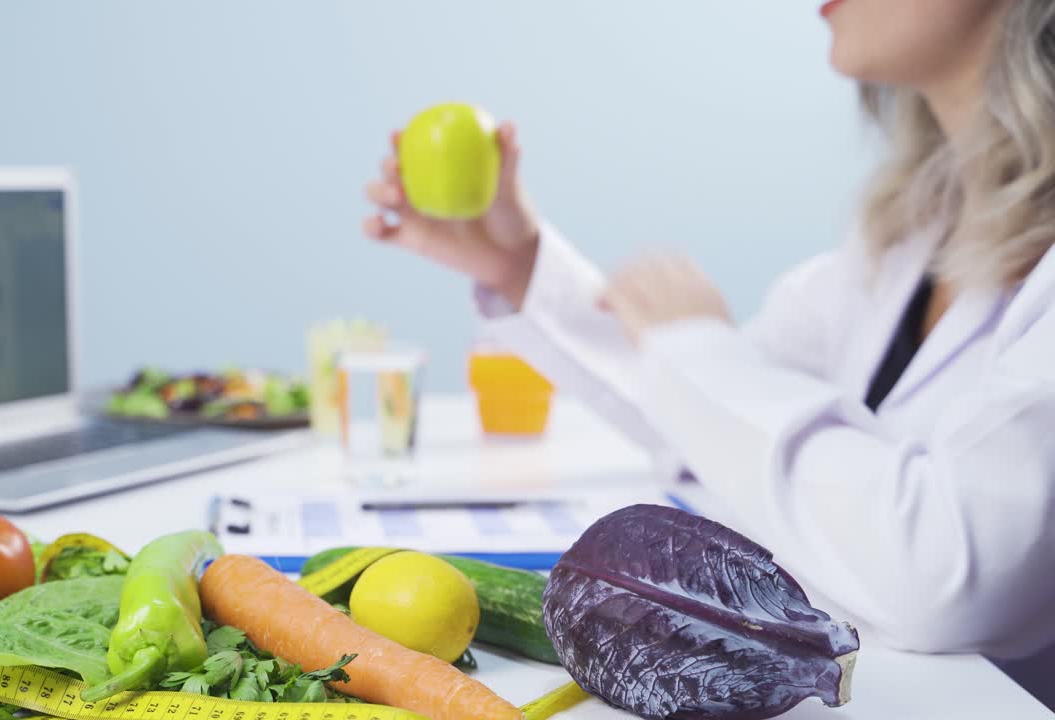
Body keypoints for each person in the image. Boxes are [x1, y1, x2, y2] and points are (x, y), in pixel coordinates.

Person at [363, 0, 1055, 673]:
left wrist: (697, 344)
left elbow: (947, 580)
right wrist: (517, 267)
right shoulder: (905, 240)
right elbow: (710, 428)